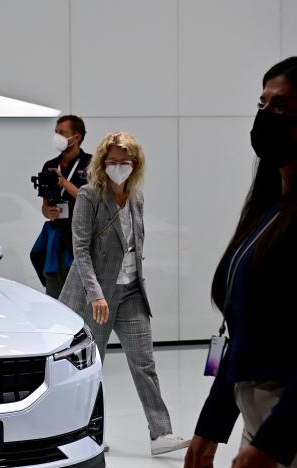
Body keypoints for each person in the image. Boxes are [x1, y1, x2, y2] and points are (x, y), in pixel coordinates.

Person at [185, 57, 297, 468]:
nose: (265, 115)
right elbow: (243, 331)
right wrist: (212, 426)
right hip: (261, 425)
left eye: (281, 106)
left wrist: (272, 444)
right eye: (262, 103)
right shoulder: (270, 210)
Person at [58, 131, 190, 456]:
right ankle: (84, 433)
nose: (119, 167)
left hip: (130, 291)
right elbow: (80, 250)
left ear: (136, 163)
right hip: (98, 295)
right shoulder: (90, 196)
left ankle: (161, 434)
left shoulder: (136, 197)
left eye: (125, 162)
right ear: (102, 163)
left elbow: (134, 245)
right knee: (91, 366)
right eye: (113, 161)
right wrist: (95, 294)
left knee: (144, 362)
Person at [36, 115, 92, 298]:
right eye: (56, 132)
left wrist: (63, 182)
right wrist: (48, 212)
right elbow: (45, 206)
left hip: (81, 239)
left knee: (81, 297)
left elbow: (92, 199)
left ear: (76, 137)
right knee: (54, 295)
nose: (57, 136)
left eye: (62, 133)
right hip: (56, 239)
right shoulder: (50, 166)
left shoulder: (91, 165)